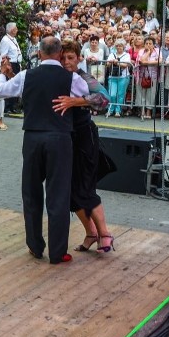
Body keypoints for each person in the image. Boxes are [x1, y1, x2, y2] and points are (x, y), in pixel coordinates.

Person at [0, 36, 89, 264]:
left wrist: (1, 72)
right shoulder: (71, 77)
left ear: (40, 53)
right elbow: (86, 91)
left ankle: (35, 245)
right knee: (58, 195)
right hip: (60, 138)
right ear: (58, 54)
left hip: (33, 136)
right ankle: (58, 252)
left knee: (31, 193)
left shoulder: (28, 75)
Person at [52, 41, 115, 255]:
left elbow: (105, 98)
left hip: (85, 137)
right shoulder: (57, 77)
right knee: (69, 191)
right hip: (64, 139)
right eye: (63, 58)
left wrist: (75, 102)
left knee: (85, 188)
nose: (67, 62)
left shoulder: (84, 78)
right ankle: (91, 233)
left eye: (71, 57)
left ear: (79, 58)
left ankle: (105, 233)